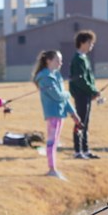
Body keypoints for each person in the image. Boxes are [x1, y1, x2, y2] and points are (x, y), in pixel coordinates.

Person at [32, 50, 80, 180]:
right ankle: (52, 169)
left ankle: (53, 168)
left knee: (55, 142)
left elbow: (63, 98)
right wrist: (69, 93)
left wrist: (73, 114)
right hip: (52, 113)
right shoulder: (45, 77)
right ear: (48, 61)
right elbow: (58, 96)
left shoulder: (56, 75)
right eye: (57, 60)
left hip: (60, 113)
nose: (61, 63)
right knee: (51, 142)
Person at [68, 30, 101, 159]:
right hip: (80, 95)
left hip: (86, 94)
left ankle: (86, 150)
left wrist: (92, 91)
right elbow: (80, 79)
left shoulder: (84, 58)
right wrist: (93, 91)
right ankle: (78, 151)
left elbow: (89, 78)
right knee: (80, 122)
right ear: (82, 43)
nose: (91, 45)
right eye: (89, 42)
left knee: (85, 122)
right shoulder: (77, 59)